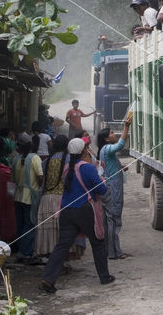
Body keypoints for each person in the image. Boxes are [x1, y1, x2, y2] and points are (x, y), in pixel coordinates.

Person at [40, 138, 113, 293]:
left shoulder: (67, 168)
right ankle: (104, 277)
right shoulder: (87, 168)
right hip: (84, 209)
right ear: (84, 150)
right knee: (98, 243)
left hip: (66, 210)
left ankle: (48, 279)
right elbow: (102, 190)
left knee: (62, 245)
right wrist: (103, 180)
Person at [96, 115, 132, 260]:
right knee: (114, 220)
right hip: (112, 190)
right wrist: (126, 126)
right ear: (106, 138)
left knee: (109, 220)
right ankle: (114, 252)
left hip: (110, 188)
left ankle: (111, 250)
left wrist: (120, 166)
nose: (114, 134)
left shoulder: (104, 150)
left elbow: (109, 165)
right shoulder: (108, 148)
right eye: (111, 133)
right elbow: (120, 146)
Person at [11, 132, 44, 263]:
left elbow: (12, 180)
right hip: (30, 197)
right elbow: (41, 176)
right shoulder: (35, 158)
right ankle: (27, 253)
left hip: (17, 196)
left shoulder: (15, 160)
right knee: (30, 224)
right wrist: (38, 187)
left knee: (20, 224)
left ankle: (21, 250)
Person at [35, 135, 69, 257]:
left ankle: (52, 261)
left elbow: (42, 183)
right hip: (61, 199)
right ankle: (60, 263)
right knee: (62, 232)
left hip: (46, 199)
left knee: (50, 234)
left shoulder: (45, 161)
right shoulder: (68, 159)